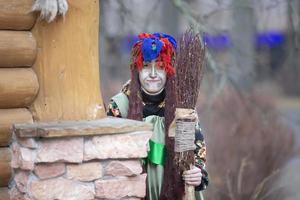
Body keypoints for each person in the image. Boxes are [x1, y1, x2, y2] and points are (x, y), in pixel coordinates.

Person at [107, 32, 208, 200]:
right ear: (137, 69)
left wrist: (197, 174)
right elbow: (108, 157)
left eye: (160, 67)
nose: (153, 74)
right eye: (146, 66)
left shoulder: (182, 107)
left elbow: (197, 151)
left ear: (169, 70)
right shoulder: (120, 106)